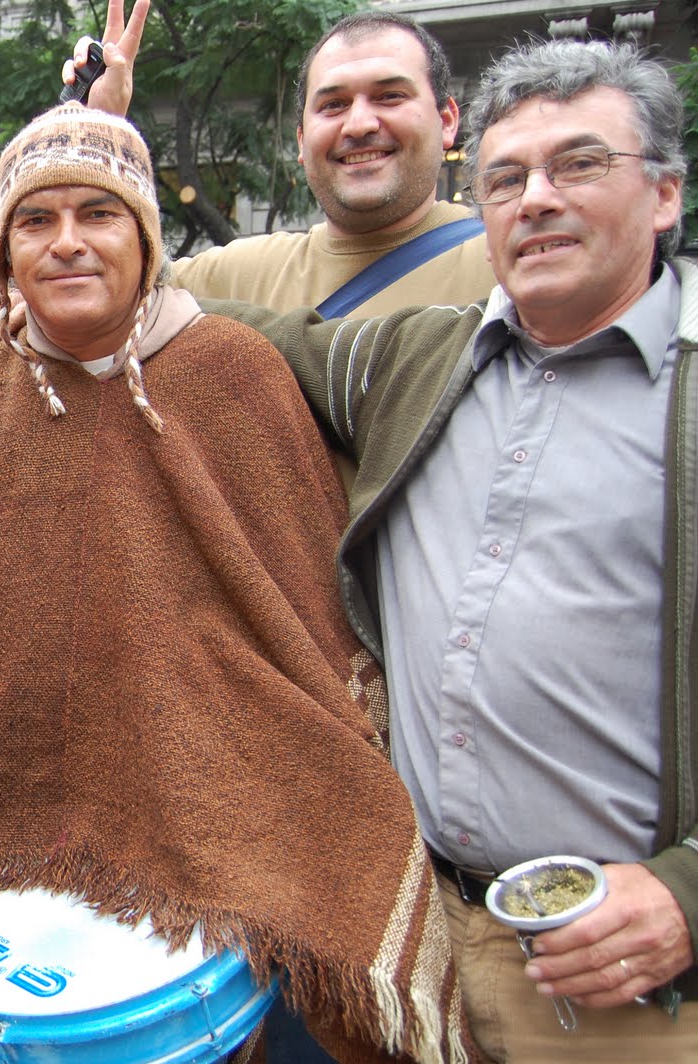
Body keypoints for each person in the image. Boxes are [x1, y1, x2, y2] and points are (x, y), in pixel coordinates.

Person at [0, 102, 469, 1063]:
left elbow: (304, 608)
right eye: (35, 221)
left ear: (144, 237)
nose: (67, 242)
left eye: (98, 214)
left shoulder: (233, 368)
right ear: (5, 254)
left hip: (216, 805)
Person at [211, 38, 698, 1060]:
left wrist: (687, 890)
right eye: (507, 179)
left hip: (614, 975)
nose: (538, 199)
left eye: (579, 165)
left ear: (663, 195)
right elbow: (228, 328)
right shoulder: (422, 358)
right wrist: (36, 286)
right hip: (409, 941)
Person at [0, 4, 494, 348]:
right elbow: (100, 281)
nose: (359, 124)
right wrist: (96, 126)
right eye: (332, 105)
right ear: (301, 140)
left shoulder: (508, 265)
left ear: (448, 120)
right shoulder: (235, 276)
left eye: (389, 96)